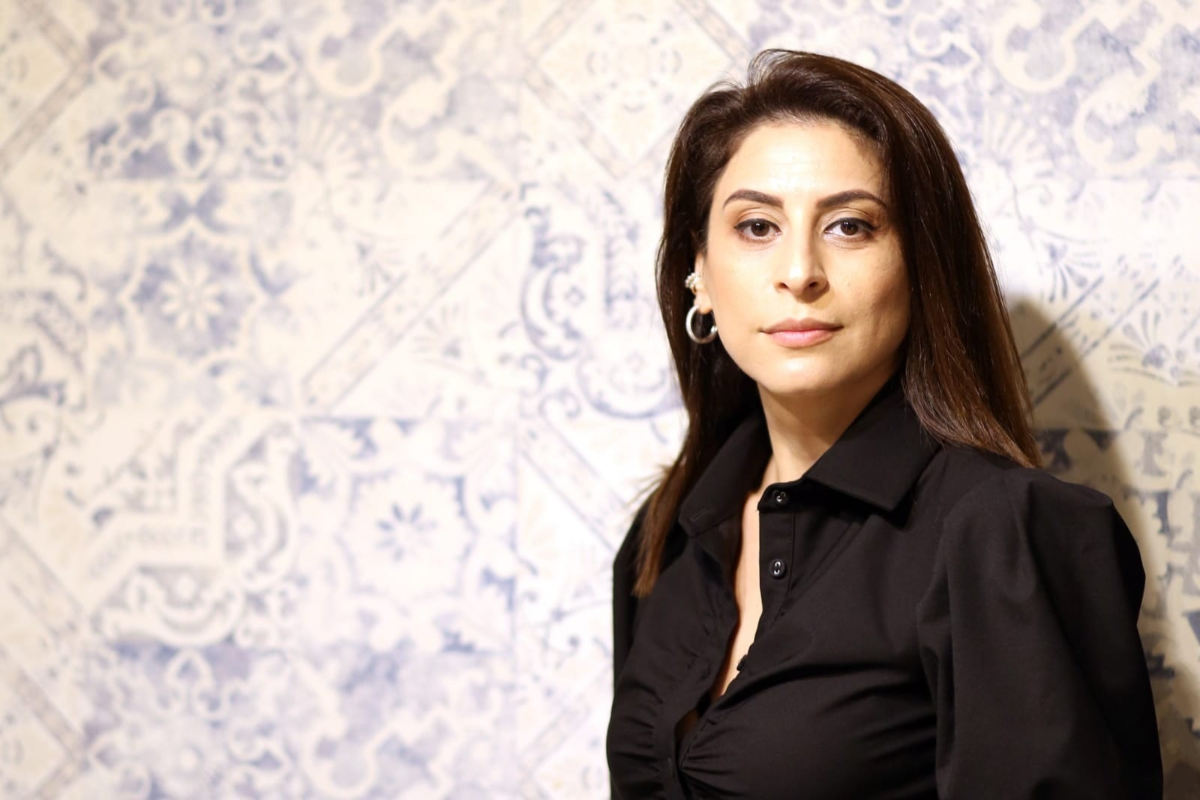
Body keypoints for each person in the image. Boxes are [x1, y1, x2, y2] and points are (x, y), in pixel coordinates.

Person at [605, 49, 1162, 800]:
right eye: (757, 226)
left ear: (920, 266)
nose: (799, 272)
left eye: (849, 226)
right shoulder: (667, 533)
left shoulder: (1000, 530)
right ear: (698, 271)